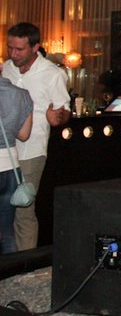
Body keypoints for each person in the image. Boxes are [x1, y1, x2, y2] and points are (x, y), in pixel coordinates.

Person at [3, 22, 70, 250]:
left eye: (19, 49)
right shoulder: (7, 68)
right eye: (10, 47)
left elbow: (65, 111)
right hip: (5, 150)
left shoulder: (53, 74)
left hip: (31, 149)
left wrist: (57, 118)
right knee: (5, 210)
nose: (13, 53)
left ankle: (25, 262)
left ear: (35, 47)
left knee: (23, 209)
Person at [0, 77, 32, 254]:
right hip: (11, 168)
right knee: (7, 231)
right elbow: (24, 135)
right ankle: (12, 270)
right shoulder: (22, 95)